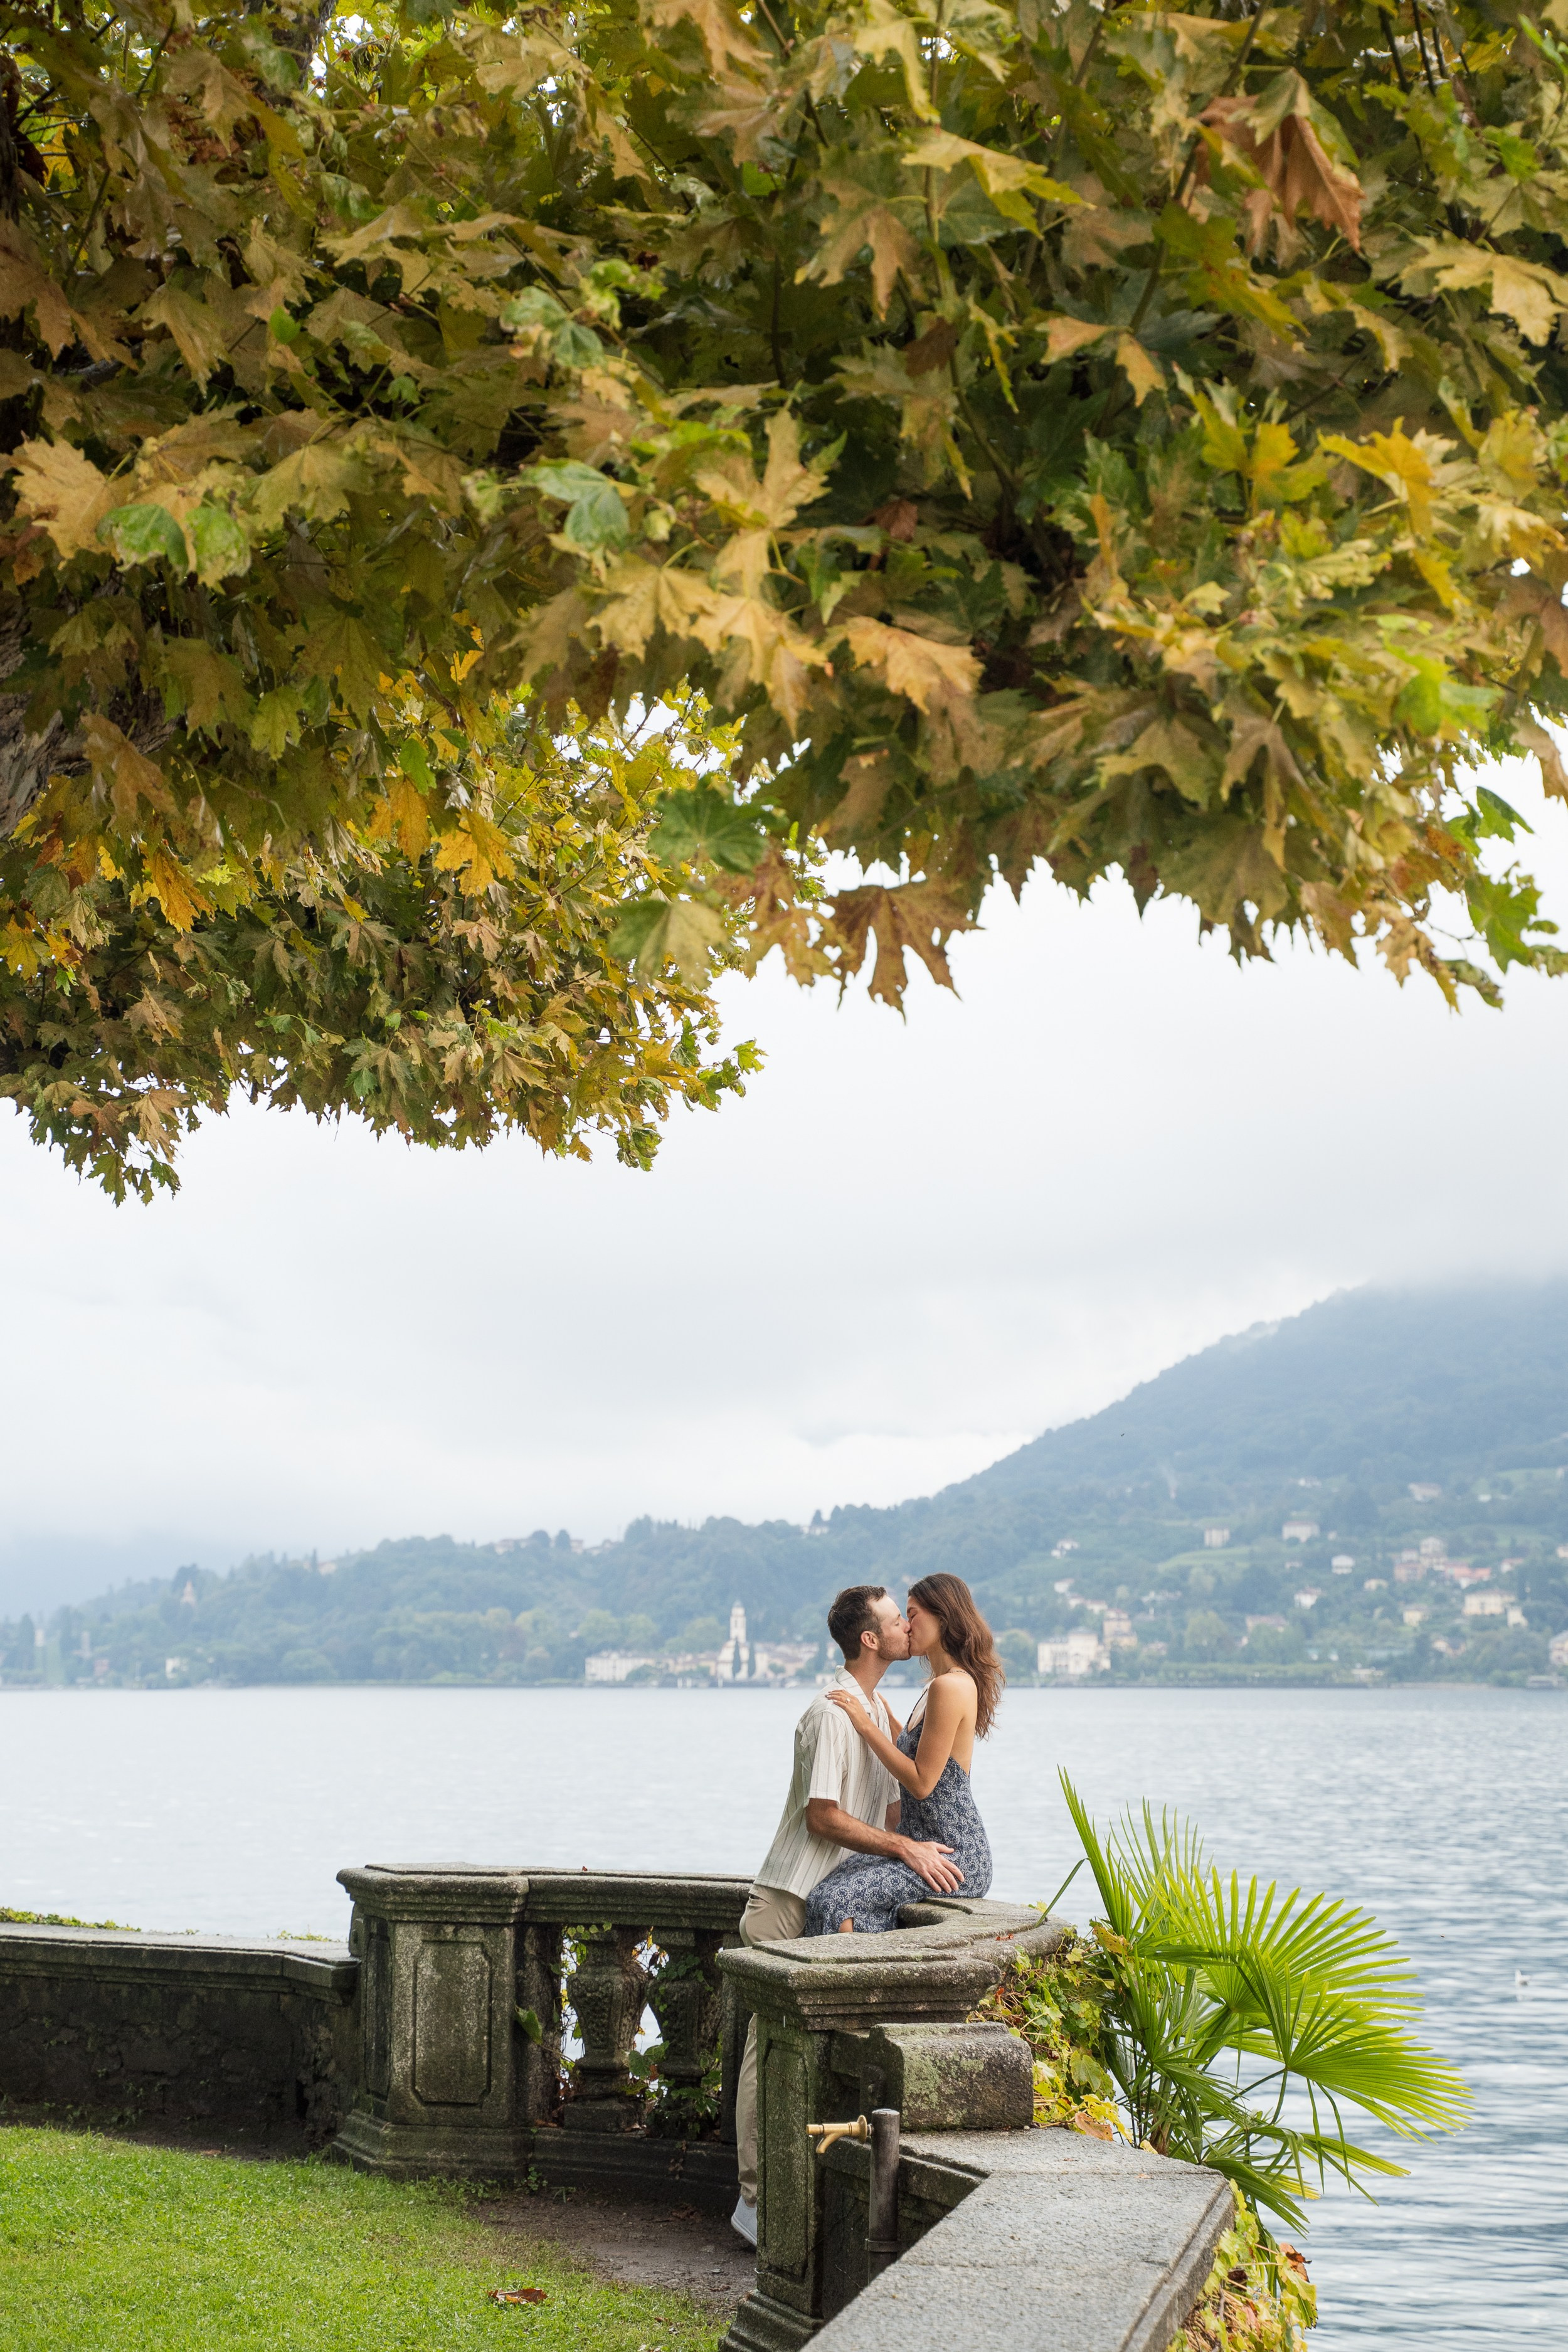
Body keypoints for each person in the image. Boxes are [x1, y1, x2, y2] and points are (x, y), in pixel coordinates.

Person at [730, 1584, 965, 2249]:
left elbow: (894, 1806)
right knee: (767, 2053)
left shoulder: (876, 1708)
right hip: (790, 1900)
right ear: (870, 1640)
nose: (907, 1628)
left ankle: (792, 2197)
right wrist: (903, 1849)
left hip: (834, 1901)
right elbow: (824, 1817)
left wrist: (910, 1849)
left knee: (801, 2053)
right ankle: (753, 2202)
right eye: (897, 1621)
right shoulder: (833, 1712)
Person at [805, 1572, 1000, 1936]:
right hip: (921, 1843)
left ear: (942, 1617)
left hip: (951, 1855)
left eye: (913, 1614)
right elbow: (921, 1751)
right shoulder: (935, 1688)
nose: (908, 1626)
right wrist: (888, 1719)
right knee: (824, 1891)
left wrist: (866, 1726)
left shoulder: (950, 1686)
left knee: (837, 1901)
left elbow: (923, 1782)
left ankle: (852, 1987)